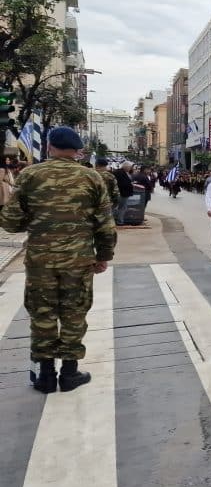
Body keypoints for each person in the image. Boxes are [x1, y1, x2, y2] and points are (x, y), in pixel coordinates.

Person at [0, 127, 117, 393]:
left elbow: (10, 222)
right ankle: (70, 373)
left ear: (49, 146)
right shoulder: (92, 178)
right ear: (77, 151)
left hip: (40, 260)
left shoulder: (29, 175)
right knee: (74, 313)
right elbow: (106, 226)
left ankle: (45, 375)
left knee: (42, 313)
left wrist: (38, 220)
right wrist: (103, 257)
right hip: (79, 260)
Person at [112, 161, 134, 226]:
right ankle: (120, 221)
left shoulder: (118, 172)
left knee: (115, 207)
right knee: (121, 208)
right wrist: (130, 184)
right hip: (122, 193)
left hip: (119, 193)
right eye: (130, 167)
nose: (130, 169)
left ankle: (113, 220)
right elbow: (122, 183)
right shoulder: (120, 173)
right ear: (126, 167)